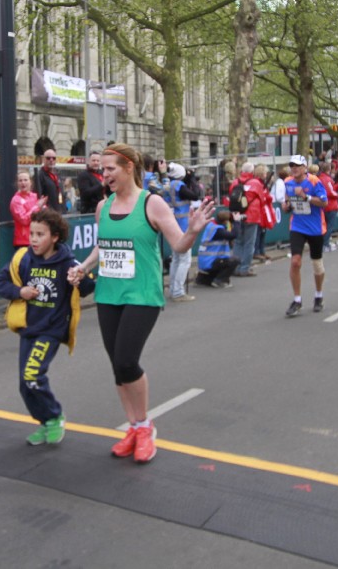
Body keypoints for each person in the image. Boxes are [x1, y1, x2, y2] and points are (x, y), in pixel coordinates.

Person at [69, 143, 214, 463]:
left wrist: (192, 231)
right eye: (103, 170)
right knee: (117, 367)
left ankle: (145, 426)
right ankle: (133, 427)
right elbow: (103, 246)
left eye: (110, 169)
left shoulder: (152, 203)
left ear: (129, 168)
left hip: (142, 294)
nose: (105, 175)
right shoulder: (103, 207)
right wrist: (83, 267)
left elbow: (179, 245)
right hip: (109, 294)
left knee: (126, 361)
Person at [0, 207, 96, 446]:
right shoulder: (23, 258)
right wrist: (20, 291)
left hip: (51, 330)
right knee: (25, 383)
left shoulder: (68, 262)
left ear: (55, 237)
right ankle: (45, 421)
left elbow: (89, 288)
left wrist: (78, 279)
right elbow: (0, 281)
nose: (34, 239)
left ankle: (55, 416)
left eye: (40, 235)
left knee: (33, 374)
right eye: (32, 234)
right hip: (29, 328)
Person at [282, 155, 328, 316]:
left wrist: (306, 197)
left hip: (315, 228)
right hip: (297, 226)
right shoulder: (288, 182)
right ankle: (297, 300)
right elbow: (286, 201)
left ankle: (318, 295)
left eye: (297, 166)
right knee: (295, 261)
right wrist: (286, 206)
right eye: (292, 166)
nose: (294, 169)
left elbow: (324, 202)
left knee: (317, 264)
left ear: (304, 168)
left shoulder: (314, 181)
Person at [164, 162, 201, 303]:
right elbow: (196, 195)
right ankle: (178, 291)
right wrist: (192, 179)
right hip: (183, 226)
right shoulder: (178, 186)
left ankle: (174, 289)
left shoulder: (168, 185)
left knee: (176, 259)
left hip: (173, 224)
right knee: (184, 260)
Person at [230, 162, 268, 278]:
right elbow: (262, 199)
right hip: (252, 216)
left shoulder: (235, 182)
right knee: (249, 243)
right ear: (252, 171)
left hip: (237, 215)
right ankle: (244, 268)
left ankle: (235, 267)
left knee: (238, 242)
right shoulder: (256, 183)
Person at [194, 208, 239, 288]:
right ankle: (219, 281)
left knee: (224, 262)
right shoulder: (218, 230)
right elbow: (233, 235)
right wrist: (237, 222)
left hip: (206, 261)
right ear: (225, 221)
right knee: (234, 260)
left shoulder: (211, 225)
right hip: (211, 262)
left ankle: (202, 279)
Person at [10, 170, 46, 248]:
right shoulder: (15, 200)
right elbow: (24, 220)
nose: (23, 183)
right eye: (20, 180)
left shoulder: (35, 196)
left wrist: (43, 207)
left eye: (25, 180)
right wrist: (37, 207)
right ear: (17, 183)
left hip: (38, 239)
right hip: (23, 242)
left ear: (30, 182)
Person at [312, 163, 338, 251]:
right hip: (330, 205)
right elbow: (330, 192)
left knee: (323, 226)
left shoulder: (318, 178)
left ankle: (322, 243)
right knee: (329, 226)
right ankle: (325, 244)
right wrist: (337, 195)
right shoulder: (327, 179)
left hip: (322, 205)